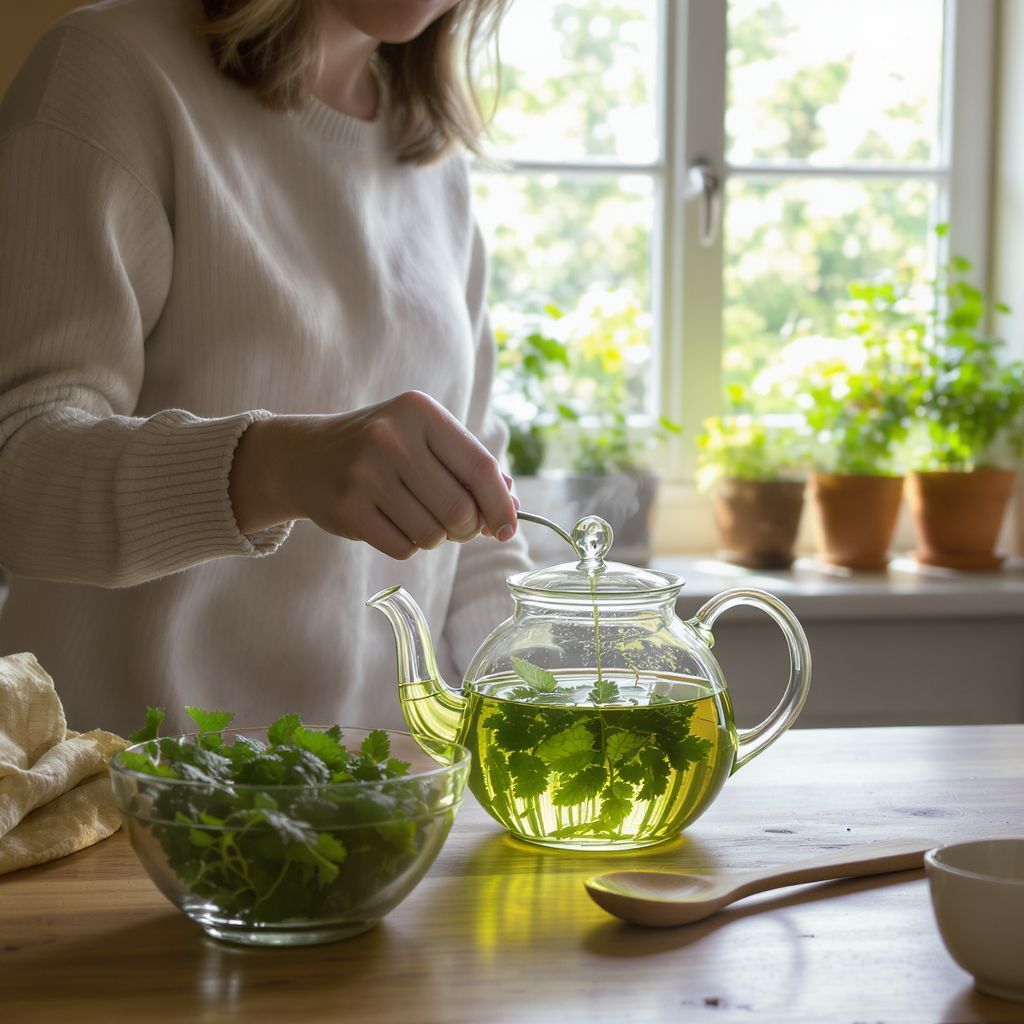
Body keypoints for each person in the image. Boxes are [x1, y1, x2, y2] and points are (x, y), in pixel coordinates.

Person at [0, 0, 533, 736]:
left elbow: (476, 522)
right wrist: (279, 466)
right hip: (119, 811)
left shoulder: (428, 150)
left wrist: (541, 698)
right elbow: (15, 467)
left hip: (374, 811)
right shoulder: (110, 71)